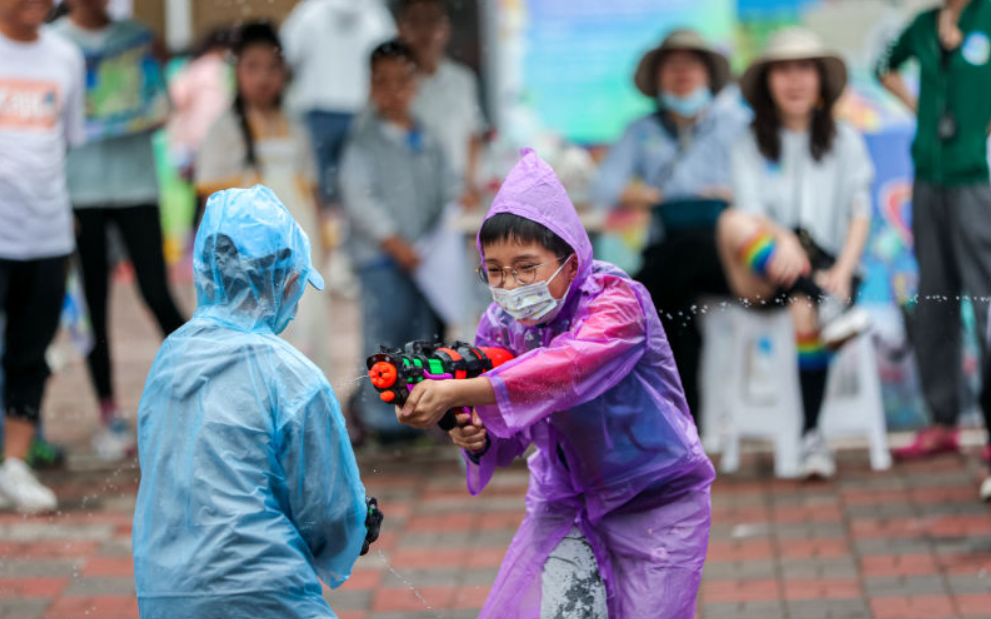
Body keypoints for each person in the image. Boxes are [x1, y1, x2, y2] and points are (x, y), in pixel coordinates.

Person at [398, 150, 715, 619]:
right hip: (564, 502)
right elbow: (508, 427)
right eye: (496, 271)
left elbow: (565, 369)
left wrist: (461, 392)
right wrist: (473, 434)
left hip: (656, 502)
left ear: (570, 261)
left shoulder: (618, 303)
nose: (510, 284)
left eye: (526, 268)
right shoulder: (503, 323)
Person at [132, 185, 377, 618]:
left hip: (163, 592)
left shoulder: (170, 358)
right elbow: (329, 512)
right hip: (261, 592)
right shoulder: (292, 377)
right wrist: (358, 528)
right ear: (286, 280)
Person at [715, 28, 874, 479]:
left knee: (806, 312)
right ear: (768, 82)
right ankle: (827, 305)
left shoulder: (846, 141)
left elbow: (860, 212)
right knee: (730, 222)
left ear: (820, 79)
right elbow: (746, 212)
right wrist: (783, 239)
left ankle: (811, 438)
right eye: (783, 70)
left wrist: (843, 270)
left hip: (829, 272)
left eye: (804, 69)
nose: (795, 80)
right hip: (766, 268)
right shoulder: (748, 142)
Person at [590, 29, 749, 420]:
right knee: (673, 307)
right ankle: (685, 420)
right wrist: (646, 196)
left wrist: (730, 194)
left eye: (691, 64)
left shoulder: (737, 126)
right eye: (672, 65)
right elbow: (604, 186)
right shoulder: (640, 130)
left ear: (708, 74)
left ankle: (618, 335)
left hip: (725, 255)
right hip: (671, 255)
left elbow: (761, 188)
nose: (682, 73)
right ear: (658, 77)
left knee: (661, 280)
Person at [51, 0, 185, 461]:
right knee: (93, 304)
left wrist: (157, 69)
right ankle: (108, 413)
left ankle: (202, 382)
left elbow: (162, 105)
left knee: (157, 293)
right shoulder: (55, 43)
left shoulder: (137, 38)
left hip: (137, 186)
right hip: (79, 191)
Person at [876, 0, 991, 480]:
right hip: (927, 176)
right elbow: (884, 67)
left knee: (986, 300)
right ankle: (943, 417)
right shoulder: (922, 25)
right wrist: (917, 106)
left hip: (975, 179)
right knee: (935, 296)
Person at [340, 39, 460, 439]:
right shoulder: (363, 142)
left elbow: (447, 188)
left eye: (401, 82)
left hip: (425, 259)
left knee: (420, 337)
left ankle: (416, 414)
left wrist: (441, 226)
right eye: (382, 82)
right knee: (384, 336)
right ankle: (378, 418)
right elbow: (359, 198)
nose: (393, 92)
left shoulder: (429, 139)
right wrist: (392, 242)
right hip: (381, 259)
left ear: (415, 86)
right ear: (371, 86)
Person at [196, 22, 330, 373]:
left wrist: (322, 247)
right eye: (252, 66)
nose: (263, 77)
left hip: (299, 241)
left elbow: (311, 191)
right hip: (250, 251)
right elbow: (213, 205)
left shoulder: (296, 124)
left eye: (272, 67)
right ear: (236, 70)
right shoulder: (222, 130)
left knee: (306, 326)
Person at [0, 0, 84, 512]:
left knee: (31, 356)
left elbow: (66, 142)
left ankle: (15, 465)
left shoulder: (66, 58)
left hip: (47, 235)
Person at [281, 0, 395, 206]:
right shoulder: (376, 14)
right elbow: (392, 55)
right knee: (360, 187)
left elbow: (286, 54)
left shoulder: (309, 12)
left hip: (318, 109)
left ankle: (325, 231)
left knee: (319, 188)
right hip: (360, 109)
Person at [398, 0, 485, 203]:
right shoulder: (394, 86)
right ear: (401, 28)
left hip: (455, 198)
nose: (424, 31)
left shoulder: (462, 80)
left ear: (446, 28)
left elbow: (473, 135)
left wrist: (471, 184)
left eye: (432, 21)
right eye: (415, 21)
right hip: (409, 199)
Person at [166, 27, 233, 183]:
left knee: (201, 186)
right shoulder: (221, 69)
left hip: (196, 139)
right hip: (207, 138)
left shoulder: (195, 68)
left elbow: (177, 99)